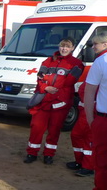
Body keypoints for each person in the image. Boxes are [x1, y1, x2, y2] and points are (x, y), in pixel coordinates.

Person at [23, 37, 83, 165]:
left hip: (61, 101)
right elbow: (40, 78)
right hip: (44, 100)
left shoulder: (77, 64)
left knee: (54, 129)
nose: (64, 49)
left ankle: (49, 155)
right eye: (62, 46)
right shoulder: (47, 61)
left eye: (67, 46)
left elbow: (69, 82)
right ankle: (31, 153)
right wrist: (45, 87)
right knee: (36, 127)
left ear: (72, 48)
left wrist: (49, 81)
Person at [83, 31, 107, 190]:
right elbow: (89, 91)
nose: (93, 47)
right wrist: (91, 119)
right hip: (105, 120)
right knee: (103, 164)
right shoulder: (102, 61)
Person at [67, 81, 95, 176]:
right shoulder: (93, 74)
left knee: (90, 141)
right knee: (76, 135)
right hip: (84, 111)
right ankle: (80, 162)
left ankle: (88, 167)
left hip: (93, 112)